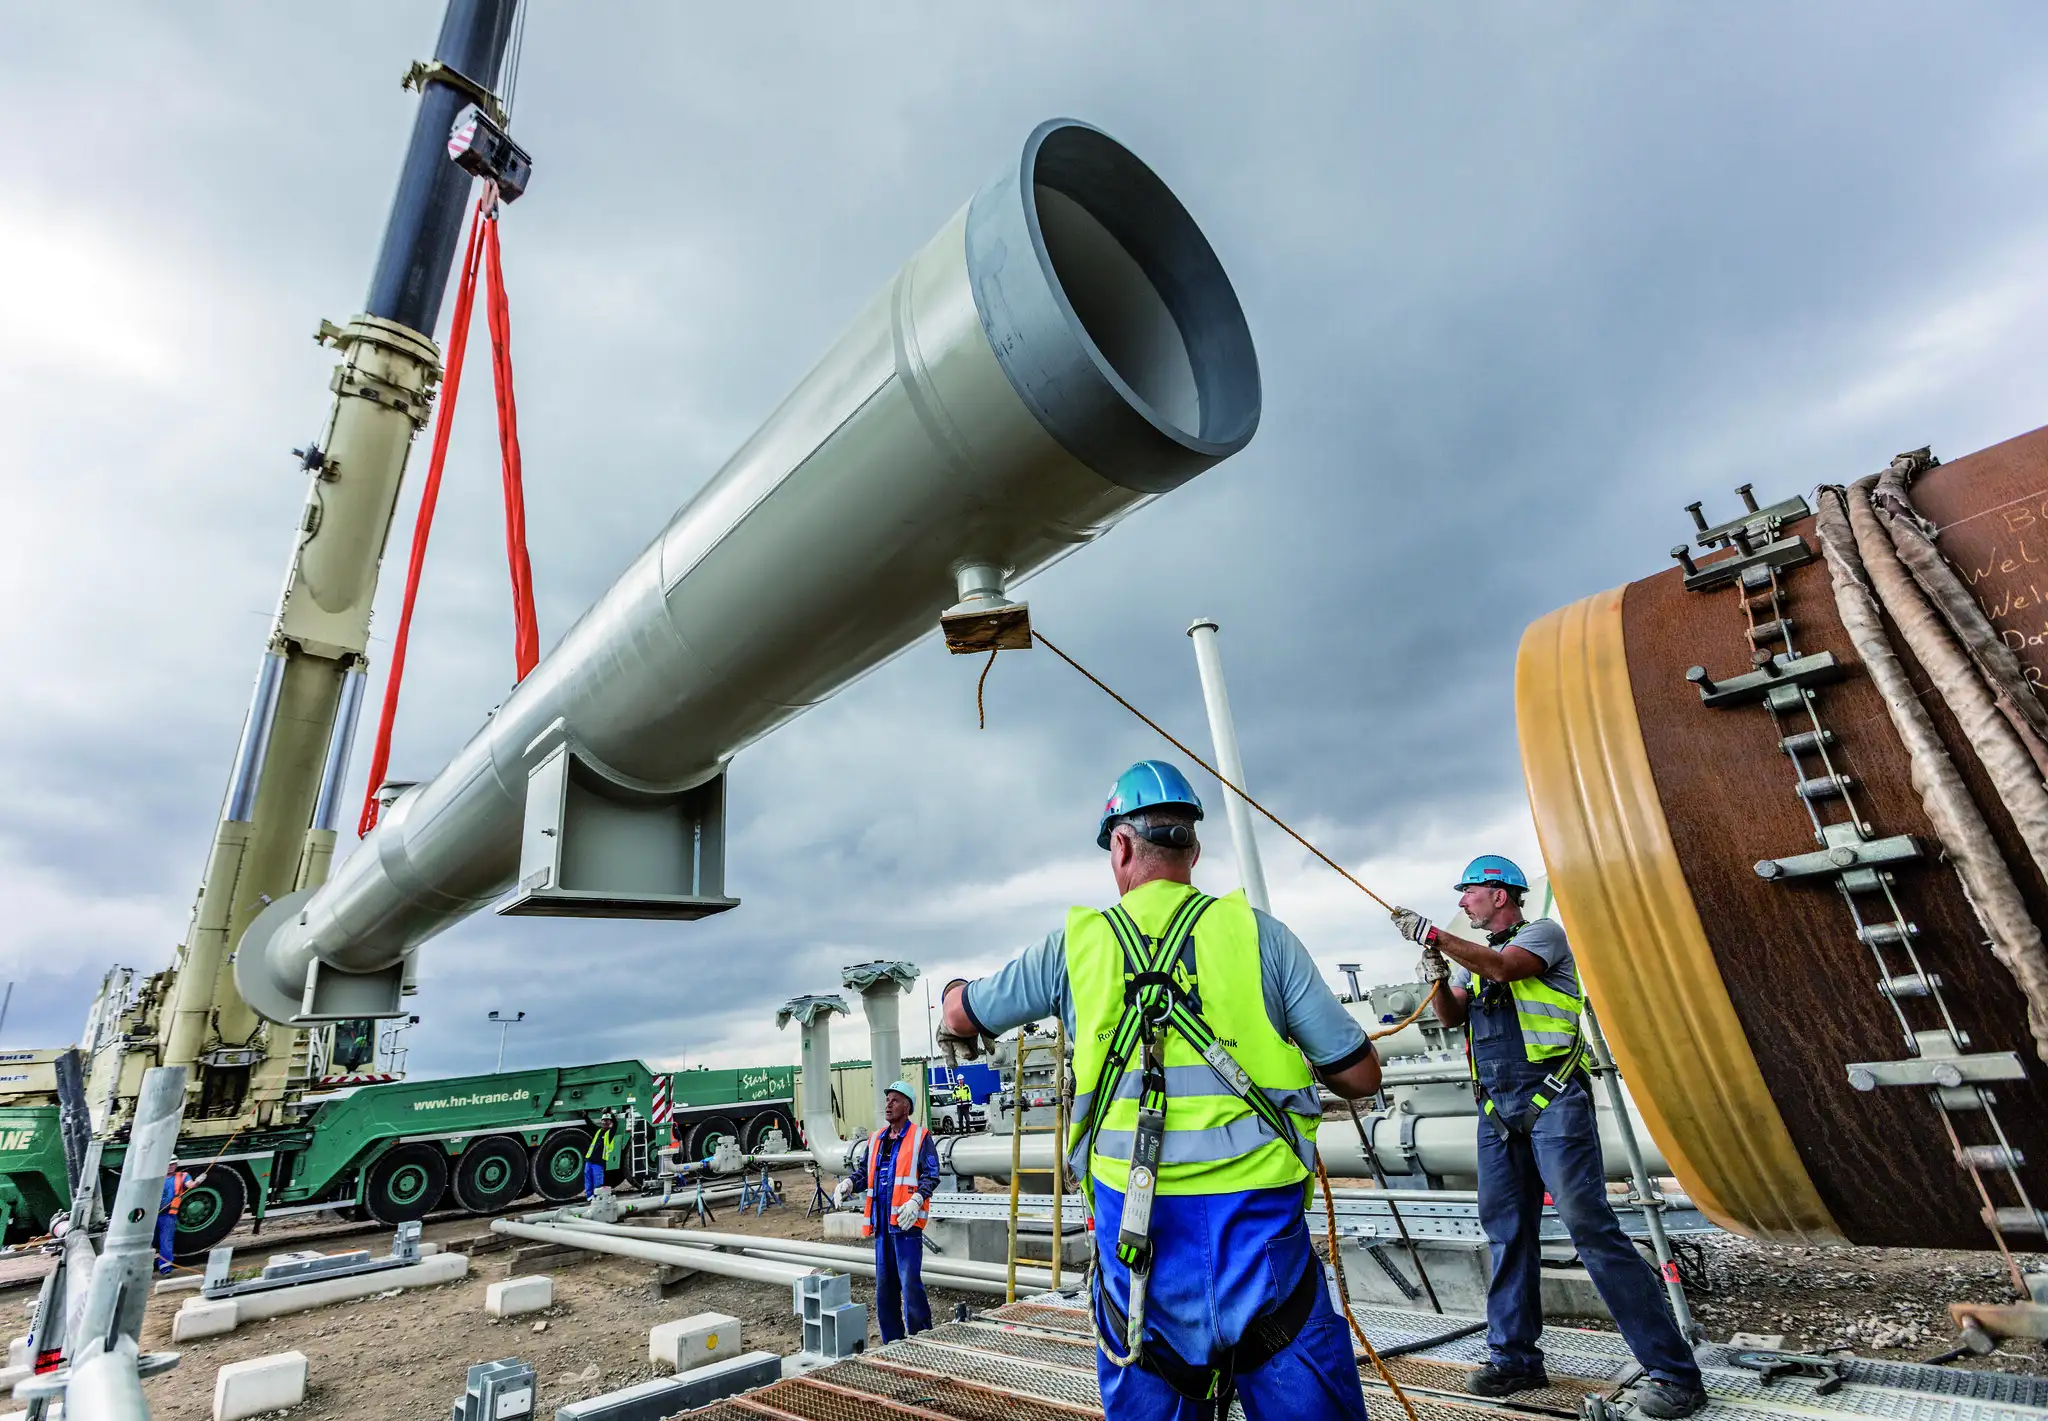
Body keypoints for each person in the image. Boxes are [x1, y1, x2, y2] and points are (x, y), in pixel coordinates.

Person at [940, 760, 1382, 1421]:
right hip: (1263, 1250)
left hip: (1137, 1249)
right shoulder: (1263, 937)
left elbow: (961, 1016)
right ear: (1193, 848)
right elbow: (1359, 1074)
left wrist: (952, 995)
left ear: (1120, 845)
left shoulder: (1074, 949)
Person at [1392, 856, 1706, 1419]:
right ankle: (1514, 1359)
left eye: (1470, 893)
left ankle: (1674, 1375)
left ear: (1500, 893)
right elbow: (1452, 1015)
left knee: (1591, 1229)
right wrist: (1436, 970)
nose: (1463, 903)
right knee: (1507, 1232)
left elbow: (1508, 969)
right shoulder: (1473, 958)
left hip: (1552, 1098)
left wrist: (1435, 933)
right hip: (1496, 1110)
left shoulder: (1541, 935)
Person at [853, 1080, 939, 1341]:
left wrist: (916, 1201)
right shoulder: (876, 1139)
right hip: (882, 1227)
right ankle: (892, 1341)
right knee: (885, 1289)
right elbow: (863, 1173)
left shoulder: (920, 1137)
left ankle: (921, 1338)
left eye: (895, 1100)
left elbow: (932, 1174)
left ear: (907, 1107)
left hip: (906, 1226)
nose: (888, 1104)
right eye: (887, 1099)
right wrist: (848, 1184)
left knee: (910, 1286)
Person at [155, 1165, 204, 1275]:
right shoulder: (154, 1176)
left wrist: (197, 1182)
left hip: (167, 1215)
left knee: (166, 1241)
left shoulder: (182, 1176)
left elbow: (190, 1185)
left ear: (176, 1165)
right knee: (150, 1241)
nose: (170, 1167)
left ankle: (165, 1269)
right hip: (150, 1214)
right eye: (167, 1164)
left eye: (172, 1164)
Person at [584, 1109, 620, 1200]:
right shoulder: (598, 1131)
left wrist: (610, 1113)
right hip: (590, 1159)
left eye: (607, 1121)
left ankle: (597, 1197)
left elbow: (616, 1125)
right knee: (588, 1177)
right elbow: (590, 1125)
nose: (604, 1122)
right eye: (603, 1121)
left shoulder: (609, 1133)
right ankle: (589, 1196)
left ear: (610, 1123)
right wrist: (584, 1116)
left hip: (599, 1161)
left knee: (598, 1180)